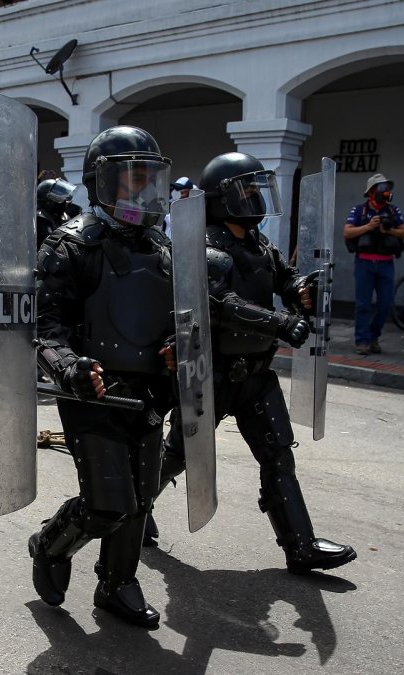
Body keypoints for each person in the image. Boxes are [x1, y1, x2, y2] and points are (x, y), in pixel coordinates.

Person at [155, 152, 356, 573]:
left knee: (278, 454)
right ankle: (130, 515)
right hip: (212, 374)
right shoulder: (205, 246)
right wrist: (279, 323)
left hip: (256, 374)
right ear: (222, 198)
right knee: (179, 454)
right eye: (246, 190)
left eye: (255, 189)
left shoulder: (258, 243)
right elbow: (219, 305)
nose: (254, 198)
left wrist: (302, 286)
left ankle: (300, 546)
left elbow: (284, 276)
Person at [28, 125, 175, 629]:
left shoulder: (163, 248)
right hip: (92, 393)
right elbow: (42, 329)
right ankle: (50, 544)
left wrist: (181, 352)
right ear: (101, 182)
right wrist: (69, 368)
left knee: (141, 497)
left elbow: (180, 318)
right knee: (108, 504)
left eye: (148, 179)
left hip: (150, 394)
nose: (141, 191)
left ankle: (117, 584)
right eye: (130, 180)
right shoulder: (69, 246)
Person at [344, 173, 404, 355]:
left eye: (386, 188)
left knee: (385, 304)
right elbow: (347, 232)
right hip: (364, 263)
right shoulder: (359, 211)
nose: (385, 192)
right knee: (363, 305)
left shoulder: (394, 211)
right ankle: (362, 341)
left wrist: (389, 230)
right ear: (371, 191)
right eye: (380, 188)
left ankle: (374, 336)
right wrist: (369, 227)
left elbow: (403, 233)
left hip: (386, 264)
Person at [35, 177, 76, 245]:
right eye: (60, 198)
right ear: (48, 201)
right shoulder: (38, 222)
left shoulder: (63, 218)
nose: (65, 201)